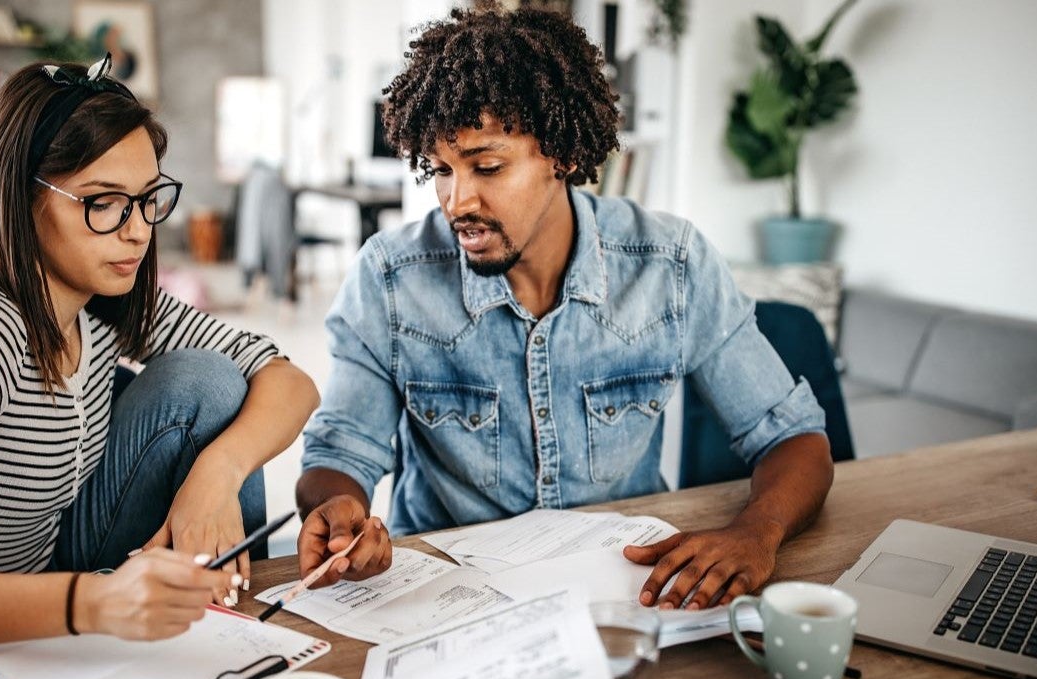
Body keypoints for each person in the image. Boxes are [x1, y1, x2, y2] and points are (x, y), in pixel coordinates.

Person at [294, 6, 833, 611]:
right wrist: (339, 511)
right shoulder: (391, 278)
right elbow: (338, 456)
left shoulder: (670, 264)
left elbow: (795, 440)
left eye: (487, 166)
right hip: (451, 599)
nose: (456, 200)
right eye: (441, 170)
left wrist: (756, 532)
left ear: (563, 155)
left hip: (628, 591)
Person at [0, 56, 319, 648]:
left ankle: (231, 637)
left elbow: (290, 380)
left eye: (147, 197)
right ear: (22, 196)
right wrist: (95, 602)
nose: (137, 231)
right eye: (102, 202)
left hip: (50, 564)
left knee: (211, 382)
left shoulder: (101, 301)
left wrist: (216, 474)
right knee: (204, 384)